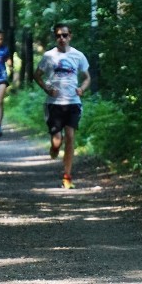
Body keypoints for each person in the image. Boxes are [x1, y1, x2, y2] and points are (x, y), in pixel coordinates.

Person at [33, 23, 91, 189]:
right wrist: (46, 88)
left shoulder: (78, 56)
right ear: (55, 37)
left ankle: (67, 175)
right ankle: (54, 148)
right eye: (58, 36)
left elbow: (87, 77)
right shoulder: (48, 56)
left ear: (70, 36)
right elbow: (37, 75)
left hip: (73, 102)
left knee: (71, 137)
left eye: (65, 35)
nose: (62, 38)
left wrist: (82, 88)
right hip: (54, 104)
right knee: (57, 141)